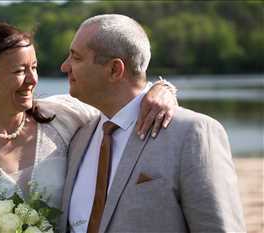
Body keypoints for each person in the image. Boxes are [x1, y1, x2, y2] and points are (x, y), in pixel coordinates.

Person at [0, 22, 177, 232]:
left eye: (34, 67)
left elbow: (123, 102)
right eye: (19, 71)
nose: (32, 80)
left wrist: (162, 89)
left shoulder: (64, 116)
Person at [59, 14, 246, 233]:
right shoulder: (78, 134)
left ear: (114, 70)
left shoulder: (192, 133)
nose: (64, 67)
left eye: (76, 58)